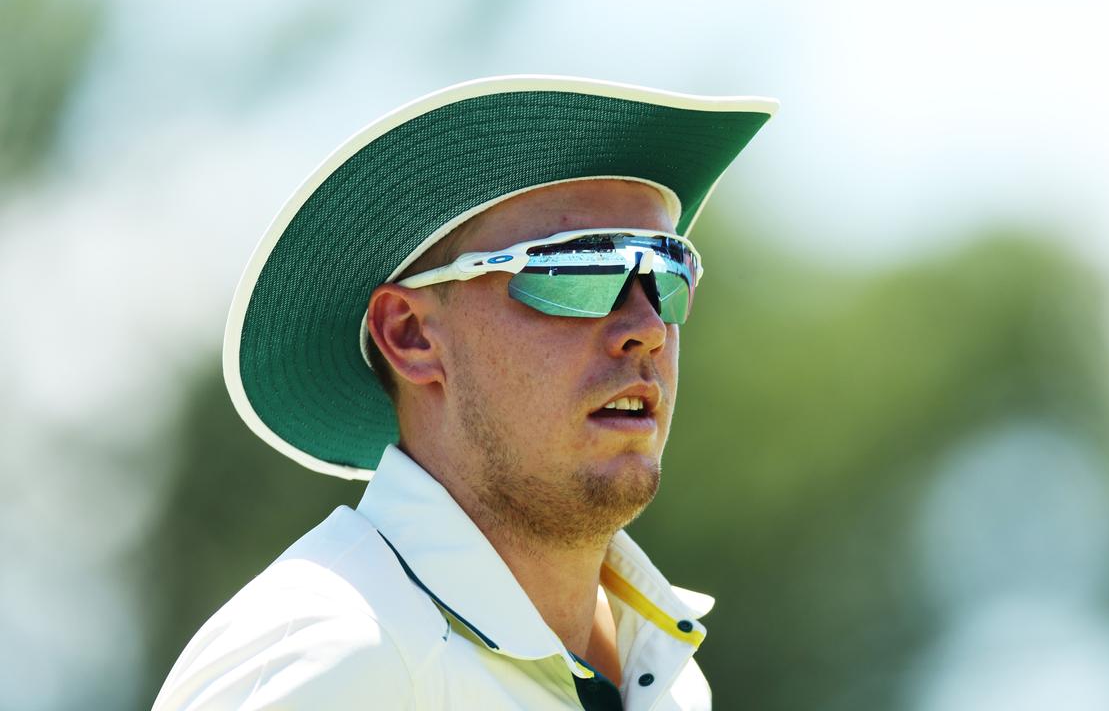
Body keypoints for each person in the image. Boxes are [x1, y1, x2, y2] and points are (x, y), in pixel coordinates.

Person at [153, 75, 776, 710]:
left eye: (669, 271)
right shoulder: (333, 654)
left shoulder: (666, 677)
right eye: (579, 271)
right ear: (412, 335)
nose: (647, 328)